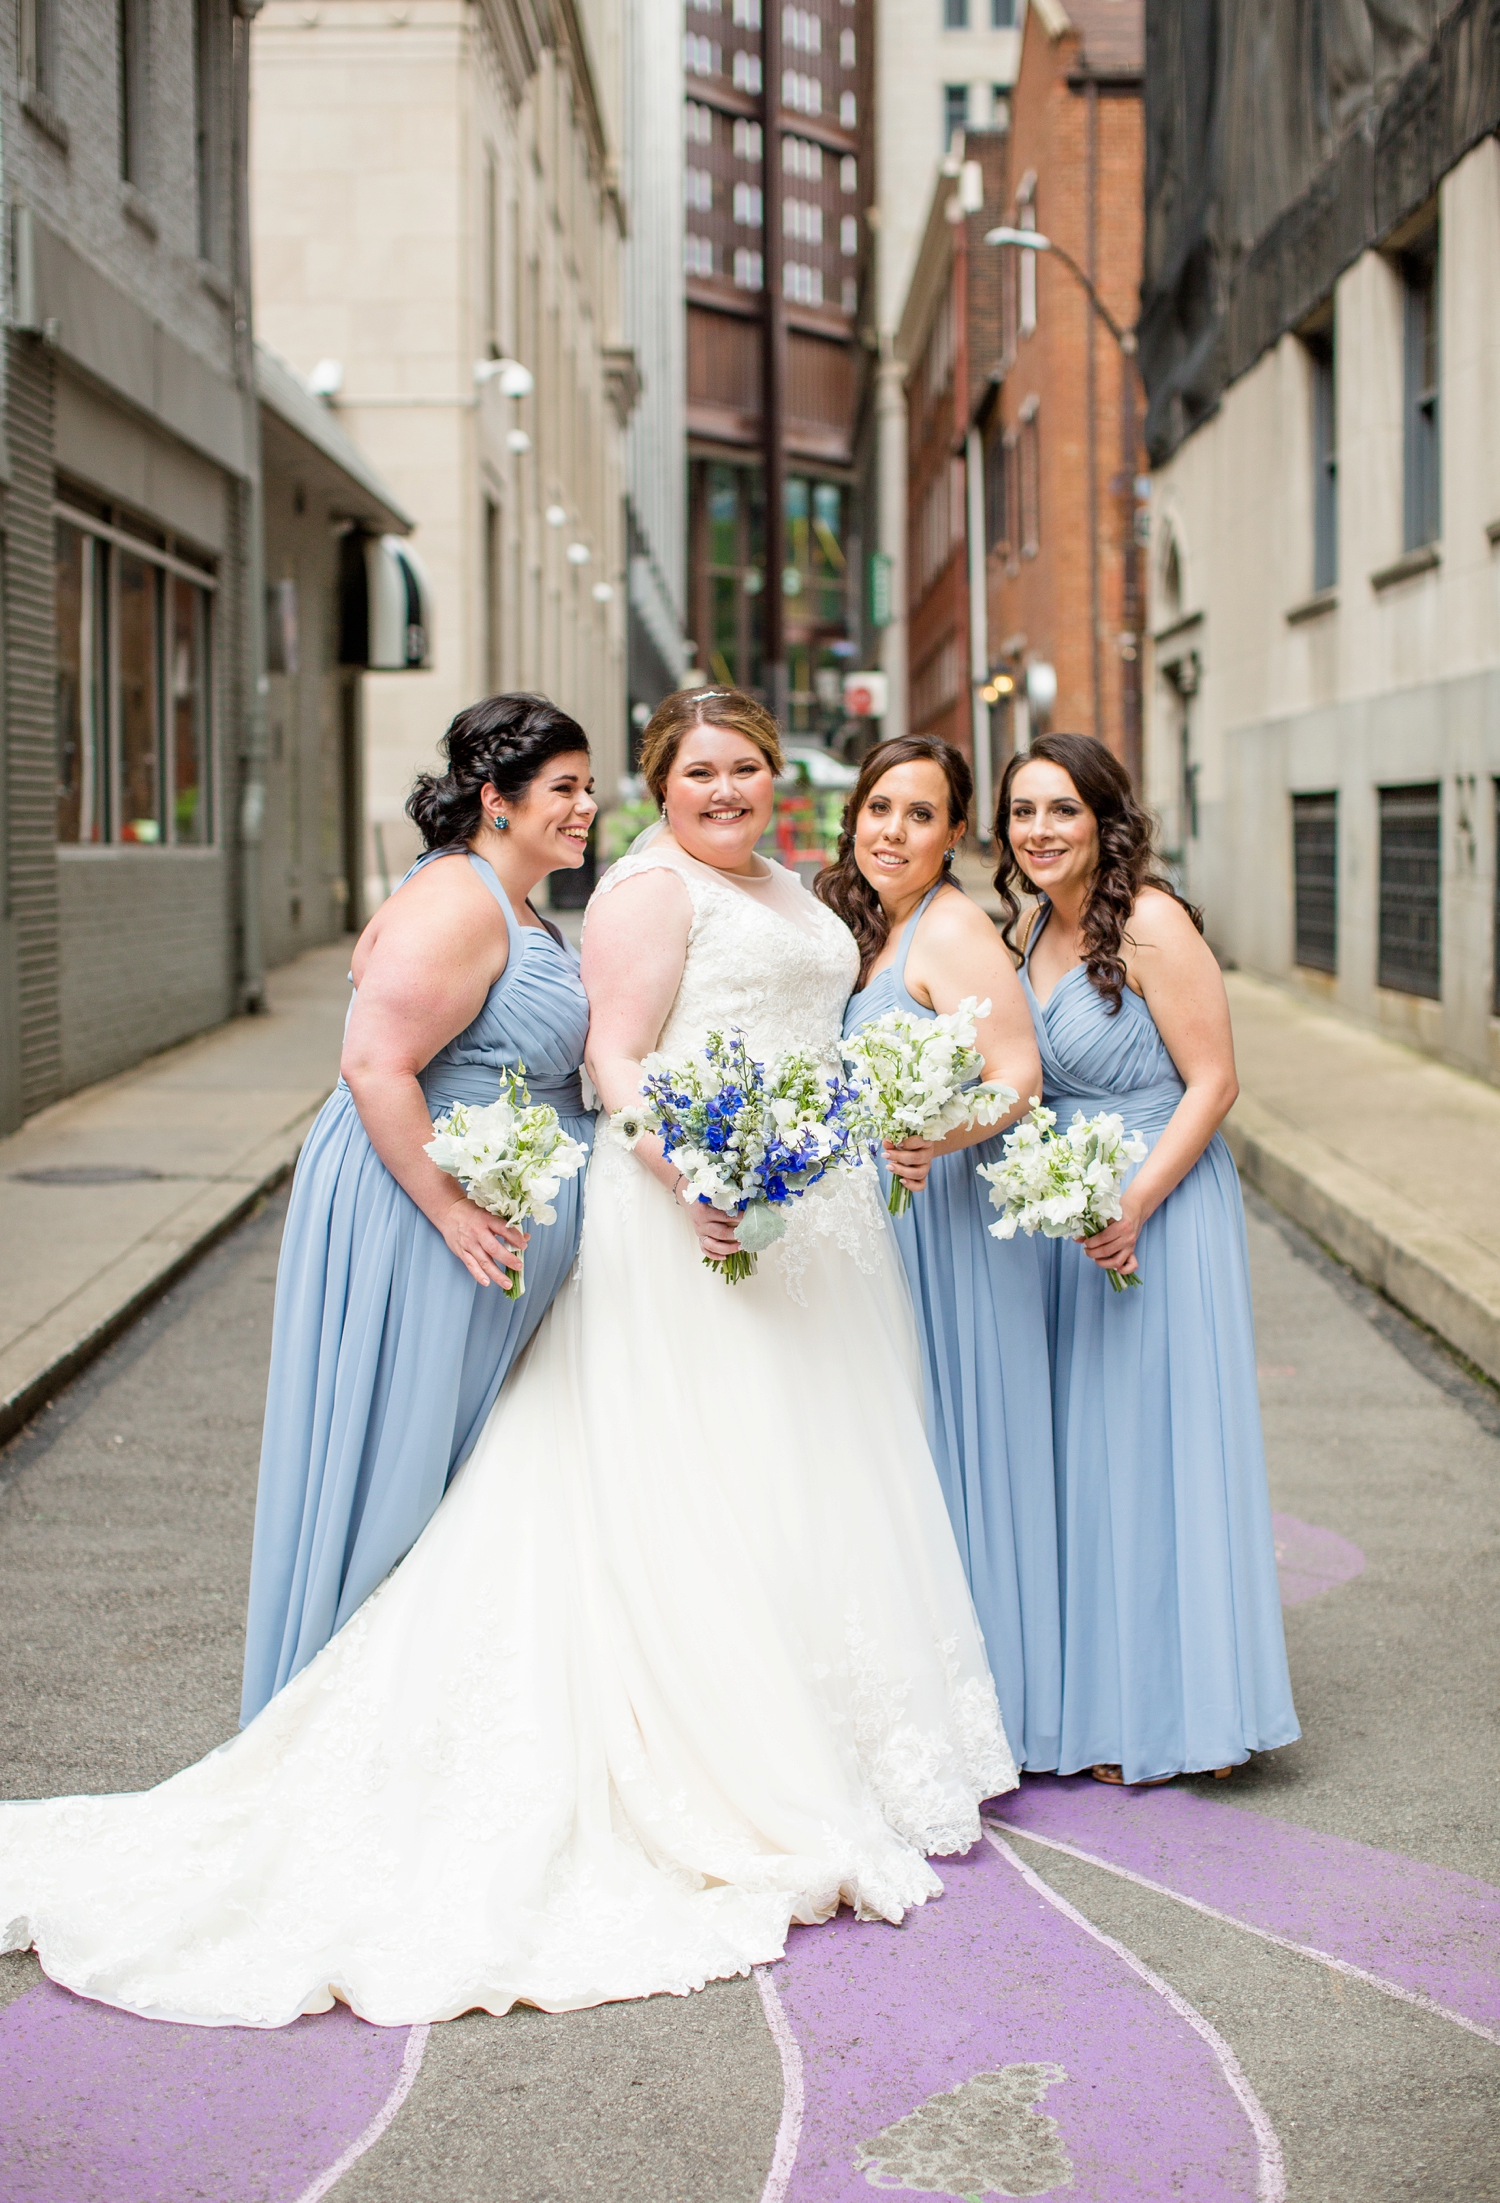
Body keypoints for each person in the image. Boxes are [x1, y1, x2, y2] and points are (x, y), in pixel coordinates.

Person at [0, 686, 1013, 2030]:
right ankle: (723, 1747)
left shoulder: (786, 885)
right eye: (696, 771)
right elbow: (612, 1057)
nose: (725, 790)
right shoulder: (651, 893)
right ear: (664, 785)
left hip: (811, 1224)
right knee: (701, 1471)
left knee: (816, 1462)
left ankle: (841, 1723)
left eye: (747, 769)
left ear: (778, 782)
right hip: (697, 1207)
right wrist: (701, 1164)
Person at [238, 694, 595, 1724]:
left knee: (452, 1468)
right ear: (498, 799)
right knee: (404, 1455)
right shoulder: (457, 901)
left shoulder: (514, 904)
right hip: (417, 1210)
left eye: (585, 787)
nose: (585, 809)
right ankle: (343, 1716)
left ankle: (416, 1711)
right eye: (563, 790)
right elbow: (374, 1064)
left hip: (467, 1213)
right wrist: (446, 1208)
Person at [999, 731, 1299, 1787]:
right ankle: (1119, 1699)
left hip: (1159, 1200)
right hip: (1066, 1209)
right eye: (1023, 811)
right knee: (1094, 1454)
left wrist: (1131, 1202)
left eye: (1061, 811)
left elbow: (1214, 1082)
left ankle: (1197, 1712)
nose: (1039, 831)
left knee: (1166, 1442)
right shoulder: (1028, 926)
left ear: (1105, 821)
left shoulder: (1153, 922)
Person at [823, 735, 1059, 1773]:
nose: (894, 831)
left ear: (954, 833)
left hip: (944, 1222)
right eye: (881, 808)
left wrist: (938, 1134)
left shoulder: (956, 929)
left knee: (953, 1447)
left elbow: (1019, 1075)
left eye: (921, 816)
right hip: (868, 1225)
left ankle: (1001, 1698)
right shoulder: (857, 923)